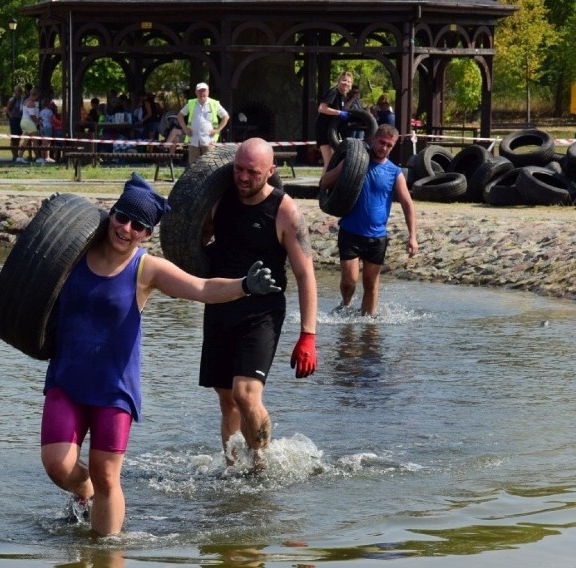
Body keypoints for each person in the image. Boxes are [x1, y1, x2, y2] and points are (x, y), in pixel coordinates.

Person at [40, 172, 282, 536]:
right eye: (121, 218)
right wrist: (48, 221)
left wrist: (244, 286)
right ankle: (84, 491)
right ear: (111, 214)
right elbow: (32, 270)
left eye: (137, 225)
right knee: (57, 465)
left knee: (108, 476)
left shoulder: (145, 268)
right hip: (67, 380)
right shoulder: (76, 252)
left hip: (113, 390)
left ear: (146, 234)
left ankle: (108, 552)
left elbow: (201, 288)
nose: (125, 229)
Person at [199, 137, 319, 471]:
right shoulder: (218, 200)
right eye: (238, 168)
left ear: (270, 171)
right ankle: (232, 466)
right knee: (227, 399)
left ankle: (262, 464)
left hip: (262, 310)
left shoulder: (284, 211)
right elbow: (191, 240)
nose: (242, 177)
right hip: (221, 302)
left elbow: (305, 274)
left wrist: (308, 335)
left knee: (246, 393)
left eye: (252, 171)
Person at [319, 124, 418, 316]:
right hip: (350, 232)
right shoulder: (355, 162)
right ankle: (346, 305)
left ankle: (369, 325)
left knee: (371, 285)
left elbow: (408, 204)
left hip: (377, 237)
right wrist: (343, 167)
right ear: (373, 139)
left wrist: (412, 236)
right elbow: (324, 183)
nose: (384, 148)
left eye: (389, 145)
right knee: (349, 281)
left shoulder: (394, 172)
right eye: (381, 142)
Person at [177, 82, 229, 165]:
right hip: (194, 139)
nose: (202, 93)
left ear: (208, 92)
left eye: (204, 91)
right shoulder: (191, 103)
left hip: (209, 140)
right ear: (196, 92)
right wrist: (185, 129)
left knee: (209, 165)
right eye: (200, 91)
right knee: (193, 166)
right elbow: (180, 116)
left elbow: (226, 117)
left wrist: (217, 130)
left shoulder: (214, 103)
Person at [315, 70, 354, 173]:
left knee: (333, 160)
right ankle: (323, 186)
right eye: (344, 80)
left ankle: (329, 185)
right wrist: (339, 113)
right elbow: (322, 108)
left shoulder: (343, 97)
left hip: (332, 131)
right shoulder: (334, 92)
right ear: (339, 81)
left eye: (349, 81)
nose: (346, 83)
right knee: (329, 161)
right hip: (323, 130)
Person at [17, 87, 41, 164]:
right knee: (35, 141)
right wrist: (39, 121)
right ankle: (38, 158)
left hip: (23, 121)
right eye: (37, 96)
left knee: (26, 141)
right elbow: (32, 116)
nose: (37, 98)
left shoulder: (25, 101)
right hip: (29, 123)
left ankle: (19, 157)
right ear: (35, 95)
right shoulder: (31, 103)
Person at [6, 85, 24, 160]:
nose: (19, 92)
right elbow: (7, 109)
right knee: (14, 138)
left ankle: (17, 154)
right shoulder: (12, 99)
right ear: (15, 91)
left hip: (20, 119)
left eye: (20, 91)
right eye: (17, 91)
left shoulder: (22, 99)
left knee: (18, 137)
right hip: (14, 120)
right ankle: (14, 155)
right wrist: (11, 116)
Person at [37, 97, 56, 164]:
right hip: (48, 127)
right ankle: (47, 157)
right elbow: (51, 120)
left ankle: (42, 157)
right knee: (48, 142)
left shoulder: (41, 111)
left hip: (42, 127)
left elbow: (39, 120)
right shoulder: (50, 111)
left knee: (43, 142)